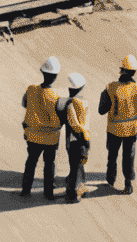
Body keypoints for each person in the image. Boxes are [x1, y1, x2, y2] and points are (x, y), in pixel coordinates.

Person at [99, 54, 137, 194]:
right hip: (132, 130)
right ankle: (128, 184)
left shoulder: (111, 88)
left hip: (114, 130)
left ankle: (111, 180)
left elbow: (101, 110)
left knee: (112, 155)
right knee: (129, 155)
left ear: (122, 70)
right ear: (134, 72)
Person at [21, 56, 62, 199]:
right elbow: (60, 116)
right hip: (50, 138)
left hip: (32, 135)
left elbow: (25, 104)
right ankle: (48, 193)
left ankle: (25, 190)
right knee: (49, 164)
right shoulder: (56, 97)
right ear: (55, 77)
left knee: (31, 162)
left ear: (42, 73)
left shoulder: (31, 90)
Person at [58, 74, 90, 203]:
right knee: (76, 166)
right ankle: (72, 194)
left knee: (77, 165)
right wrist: (86, 138)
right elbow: (76, 125)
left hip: (74, 140)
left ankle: (79, 189)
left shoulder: (71, 103)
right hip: (78, 139)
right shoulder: (75, 103)